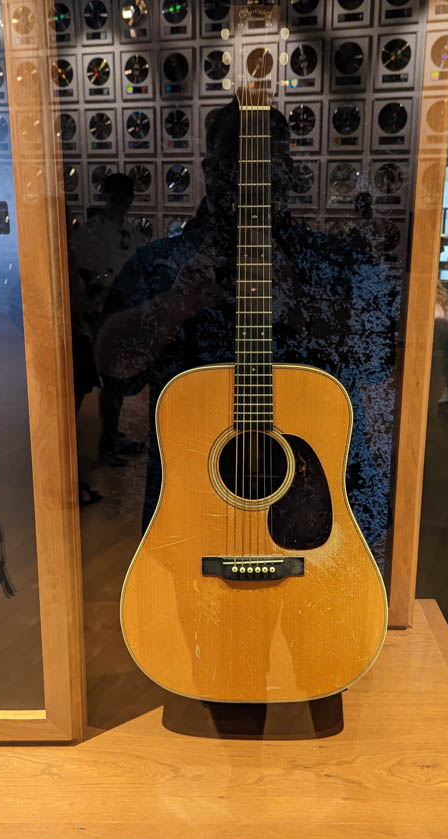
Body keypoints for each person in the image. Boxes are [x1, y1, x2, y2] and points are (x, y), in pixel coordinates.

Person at [95, 101, 401, 571]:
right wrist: (174, 305)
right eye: (236, 162)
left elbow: (380, 357)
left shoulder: (332, 265)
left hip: (321, 524)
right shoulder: (162, 266)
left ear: (289, 172)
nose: (252, 178)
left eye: (267, 163)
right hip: (195, 518)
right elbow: (113, 370)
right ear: (208, 170)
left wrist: (302, 306)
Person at [70, 173, 146, 465]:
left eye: (124, 198)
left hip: (120, 313)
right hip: (97, 316)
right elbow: (83, 271)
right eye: (115, 198)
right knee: (92, 383)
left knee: (115, 381)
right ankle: (95, 444)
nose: (120, 204)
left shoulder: (129, 230)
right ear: (106, 198)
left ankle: (111, 437)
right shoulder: (91, 231)